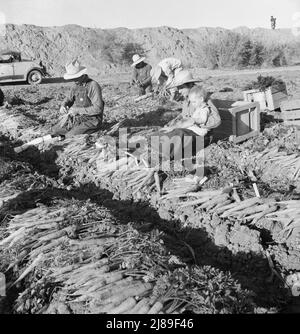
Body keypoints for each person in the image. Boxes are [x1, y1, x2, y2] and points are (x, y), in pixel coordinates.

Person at [149, 71, 221, 166]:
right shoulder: (186, 101)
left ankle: (164, 159)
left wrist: (196, 121)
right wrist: (172, 125)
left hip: (201, 137)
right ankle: (153, 152)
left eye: (181, 88)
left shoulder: (203, 100)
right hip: (188, 132)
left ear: (190, 85)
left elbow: (216, 121)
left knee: (178, 134)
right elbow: (183, 117)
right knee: (161, 133)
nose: (179, 91)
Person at [52, 60, 104, 138]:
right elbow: (68, 99)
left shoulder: (93, 86)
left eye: (75, 77)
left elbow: (98, 109)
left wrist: (77, 111)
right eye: (72, 78)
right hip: (79, 118)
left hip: (92, 120)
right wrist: (63, 105)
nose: (73, 80)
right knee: (55, 130)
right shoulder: (75, 85)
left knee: (70, 136)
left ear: (82, 75)